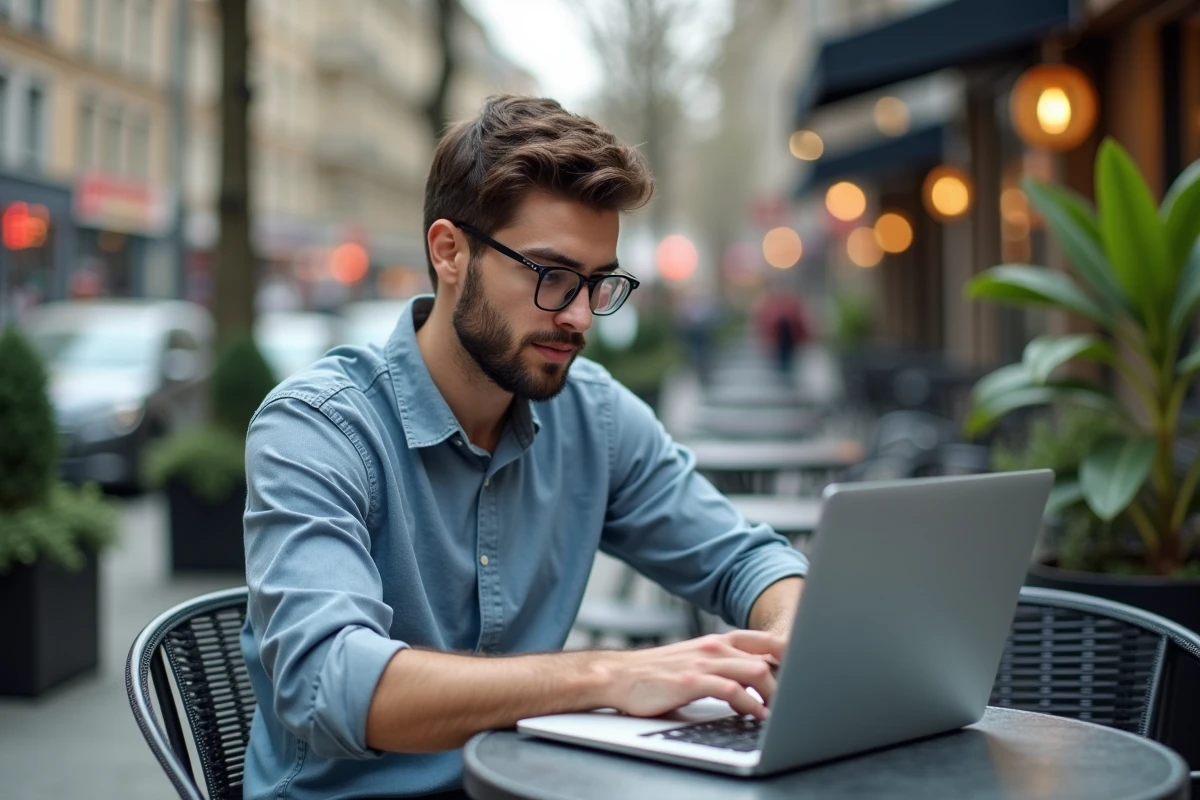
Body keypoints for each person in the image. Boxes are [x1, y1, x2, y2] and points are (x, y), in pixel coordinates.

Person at [241, 95, 807, 800]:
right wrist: (607, 677)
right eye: (551, 276)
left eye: (599, 283)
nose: (578, 316)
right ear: (450, 252)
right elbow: (330, 684)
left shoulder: (593, 414)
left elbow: (748, 559)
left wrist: (788, 636)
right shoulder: (319, 427)